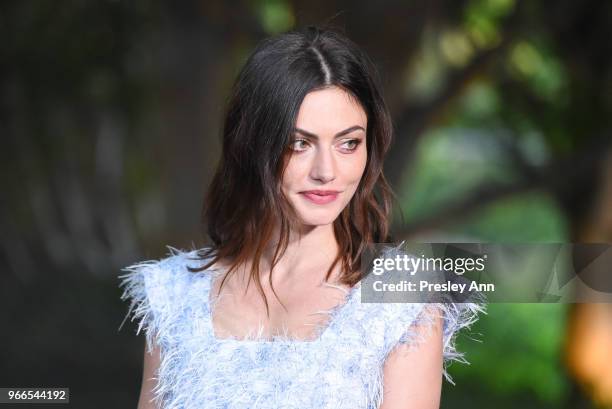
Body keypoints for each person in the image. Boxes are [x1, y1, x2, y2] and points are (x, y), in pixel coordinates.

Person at [118, 25, 484, 409]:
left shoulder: (406, 298)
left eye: (348, 143)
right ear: (253, 145)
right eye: (300, 143)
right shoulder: (175, 295)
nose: (326, 171)